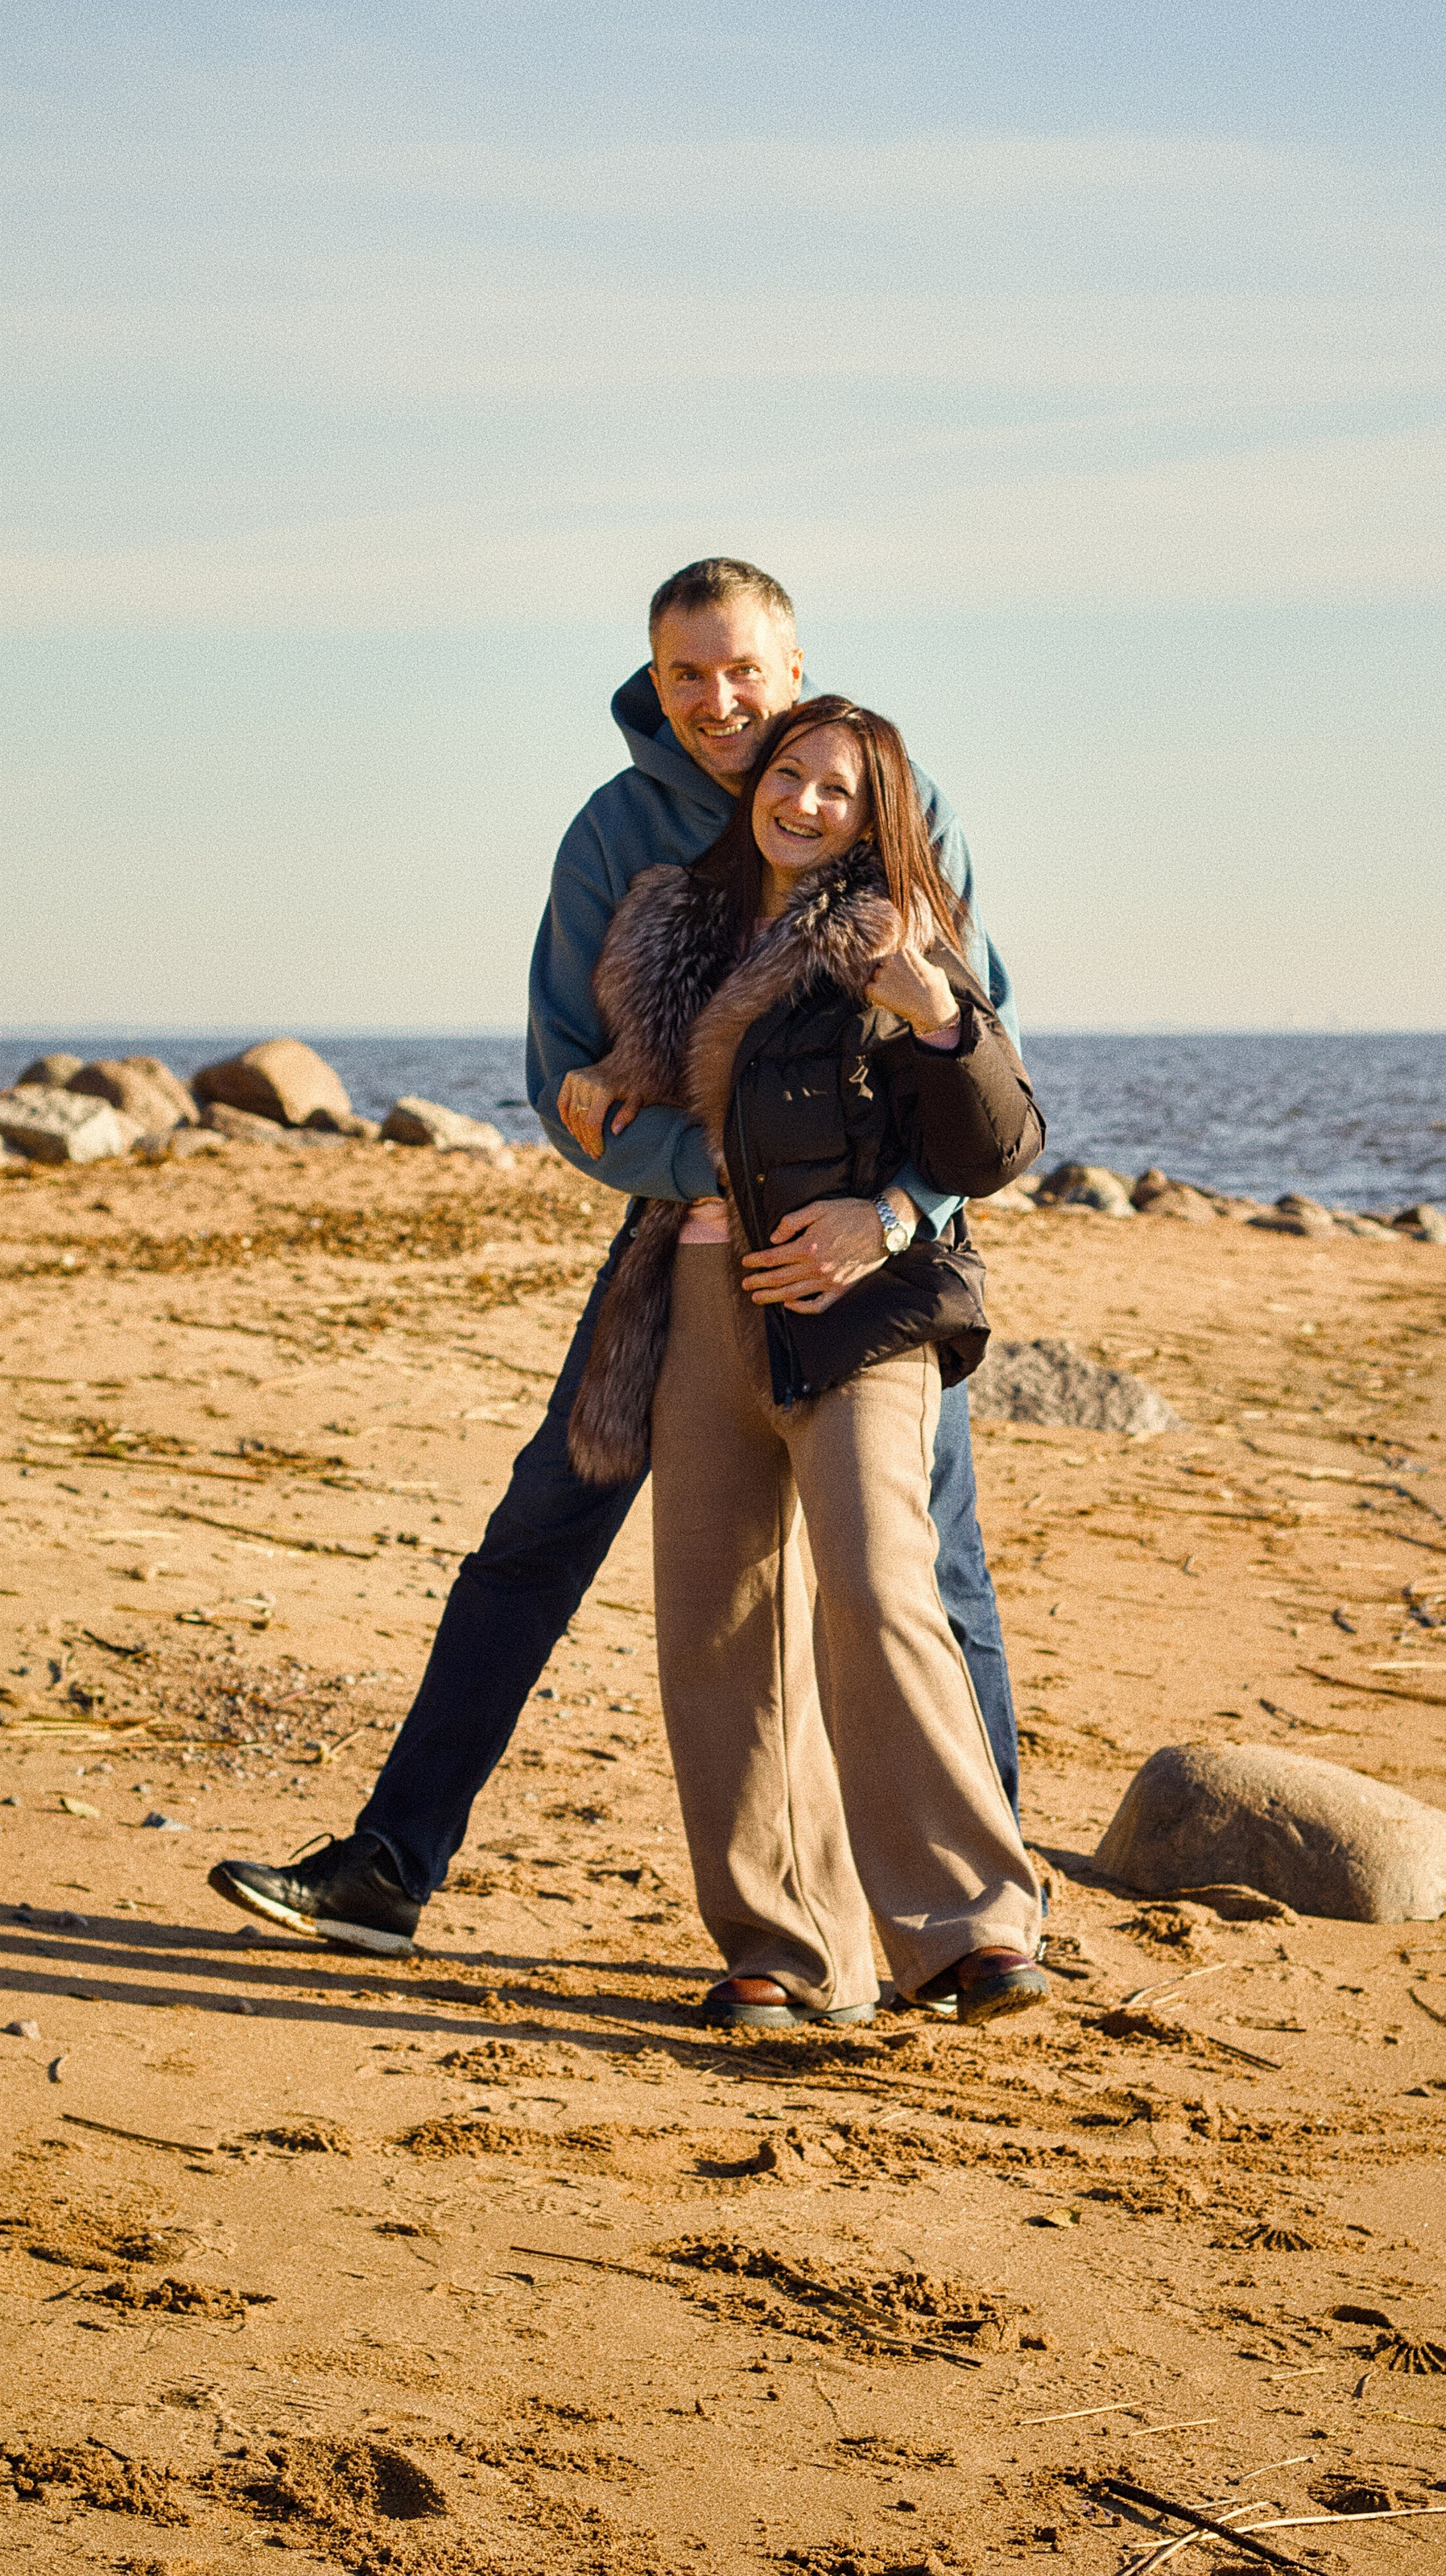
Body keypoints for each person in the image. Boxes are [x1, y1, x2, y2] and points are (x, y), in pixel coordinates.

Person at [208, 559, 1026, 1959]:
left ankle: (984, 1917)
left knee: (925, 1567)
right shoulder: (616, 836)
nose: (719, 703)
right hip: (682, 1250)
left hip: (873, 1259)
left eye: (744, 671)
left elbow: (976, 1053)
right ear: (654, 680)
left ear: (793, 664)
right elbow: (565, 1082)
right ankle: (392, 1865)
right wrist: (699, 1159)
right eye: (687, 675)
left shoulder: (891, 795)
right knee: (539, 1535)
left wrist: (882, 1216)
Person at [566, 695, 1048, 2026]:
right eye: (791, 774)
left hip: (862, 1311)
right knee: (715, 1618)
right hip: (705, 1293)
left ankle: (973, 1927)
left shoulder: (903, 929)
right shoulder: (688, 921)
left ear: (877, 812)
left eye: (840, 788)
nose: (806, 802)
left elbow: (1003, 1141)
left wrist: (930, 1052)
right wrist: (611, 1082)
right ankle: (787, 1949)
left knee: (881, 1582)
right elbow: (676, 1077)